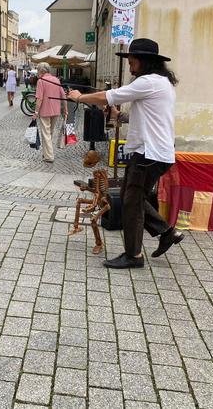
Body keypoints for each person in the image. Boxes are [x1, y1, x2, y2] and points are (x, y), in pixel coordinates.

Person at [67, 38, 184, 269]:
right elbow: (146, 116)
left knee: (132, 202)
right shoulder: (160, 83)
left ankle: (134, 255)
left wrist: (79, 97)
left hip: (150, 154)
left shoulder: (149, 82)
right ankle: (166, 232)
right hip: (153, 152)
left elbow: (107, 96)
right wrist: (118, 116)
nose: (129, 67)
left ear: (144, 62)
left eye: (132, 62)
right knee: (133, 196)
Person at [32, 62, 67, 163]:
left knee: (46, 133)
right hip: (55, 111)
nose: (37, 73)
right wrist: (65, 109)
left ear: (42, 71)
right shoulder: (56, 79)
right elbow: (63, 95)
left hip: (44, 111)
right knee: (50, 133)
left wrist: (36, 112)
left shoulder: (41, 81)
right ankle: (46, 153)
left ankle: (49, 156)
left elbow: (39, 99)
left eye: (38, 70)